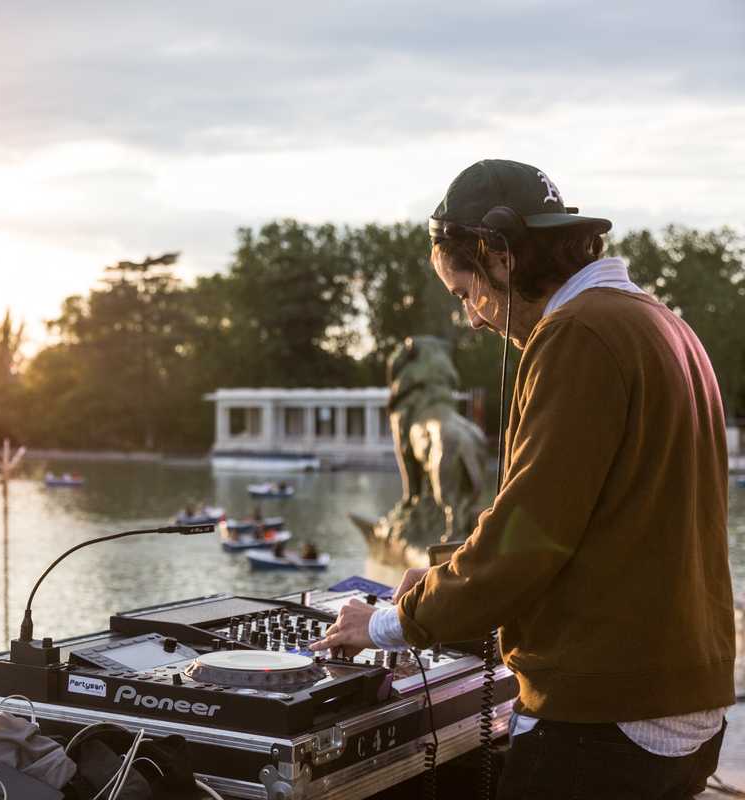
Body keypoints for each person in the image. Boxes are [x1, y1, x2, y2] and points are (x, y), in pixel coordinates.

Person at [311, 159, 734, 799]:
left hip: (606, 716)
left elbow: (528, 540)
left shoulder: (579, 334)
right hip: (683, 699)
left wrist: (385, 623)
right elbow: (600, 518)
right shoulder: (660, 323)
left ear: (498, 254)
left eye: (464, 292)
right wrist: (448, 570)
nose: (474, 320)